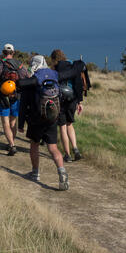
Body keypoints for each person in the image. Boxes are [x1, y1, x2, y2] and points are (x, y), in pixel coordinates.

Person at [18, 54, 80, 191]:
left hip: (35, 119)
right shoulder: (55, 76)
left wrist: (21, 124)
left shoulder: (32, 80)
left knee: (34, 145)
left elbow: (23, 105)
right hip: (52, 118)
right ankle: (62, 172)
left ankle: (35, 173)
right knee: (53, 148)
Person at [49, 49, 90, 162]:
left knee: (62, 127)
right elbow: (78, 84)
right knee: (70, 125)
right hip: (73, 98)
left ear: (54, 58)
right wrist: (79, 102)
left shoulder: (56, 68)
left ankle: (67, 155)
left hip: (61, 99)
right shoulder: (73, 65)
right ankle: (75, 149)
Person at [0, 43, 28, 156]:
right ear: (13, 52)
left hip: (3, 96)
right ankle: (12, 142)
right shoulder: (19, 65)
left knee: (5, 122)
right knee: (13, 122)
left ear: (3, 53)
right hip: (16, 96)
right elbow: (26, 77)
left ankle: (11, 145)